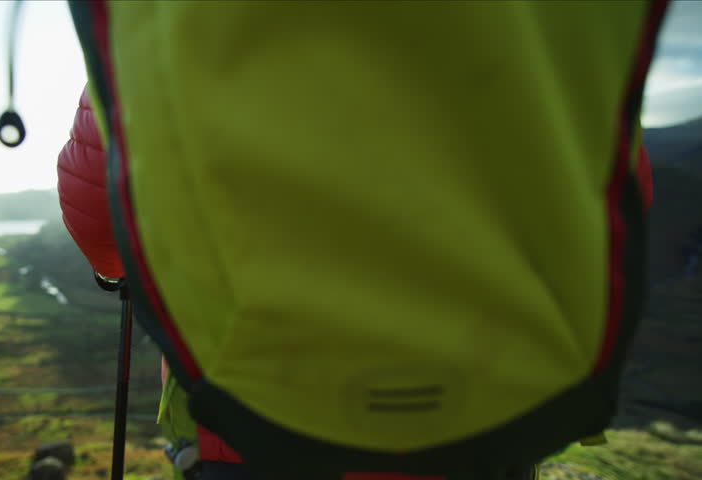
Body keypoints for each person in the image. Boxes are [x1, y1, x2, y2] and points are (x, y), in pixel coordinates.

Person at [62, 2, 668, 478]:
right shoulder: (539, 26)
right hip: (488, 413)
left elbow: (100, 213)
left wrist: (119, 271)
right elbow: (618, 203)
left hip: (246, 424)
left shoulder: (170, 23)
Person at [57, 87, 249, 480]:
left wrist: (119, 265)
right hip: (407, 422)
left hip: (237, 422)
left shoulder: (161, 26)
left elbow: (100, 212)